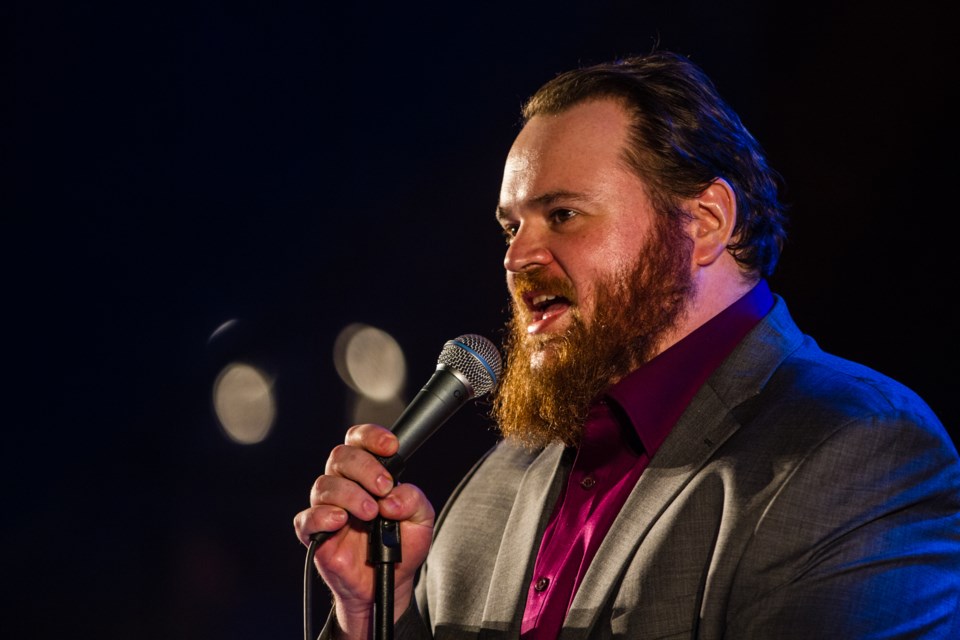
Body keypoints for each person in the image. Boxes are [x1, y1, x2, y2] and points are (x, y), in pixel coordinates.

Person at [293, 50, 960, 639]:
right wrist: (370, 615)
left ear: (703, 223)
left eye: (563, 215)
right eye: (510, 227)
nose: (518, 257)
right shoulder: (497, 484)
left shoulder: (859, 451)